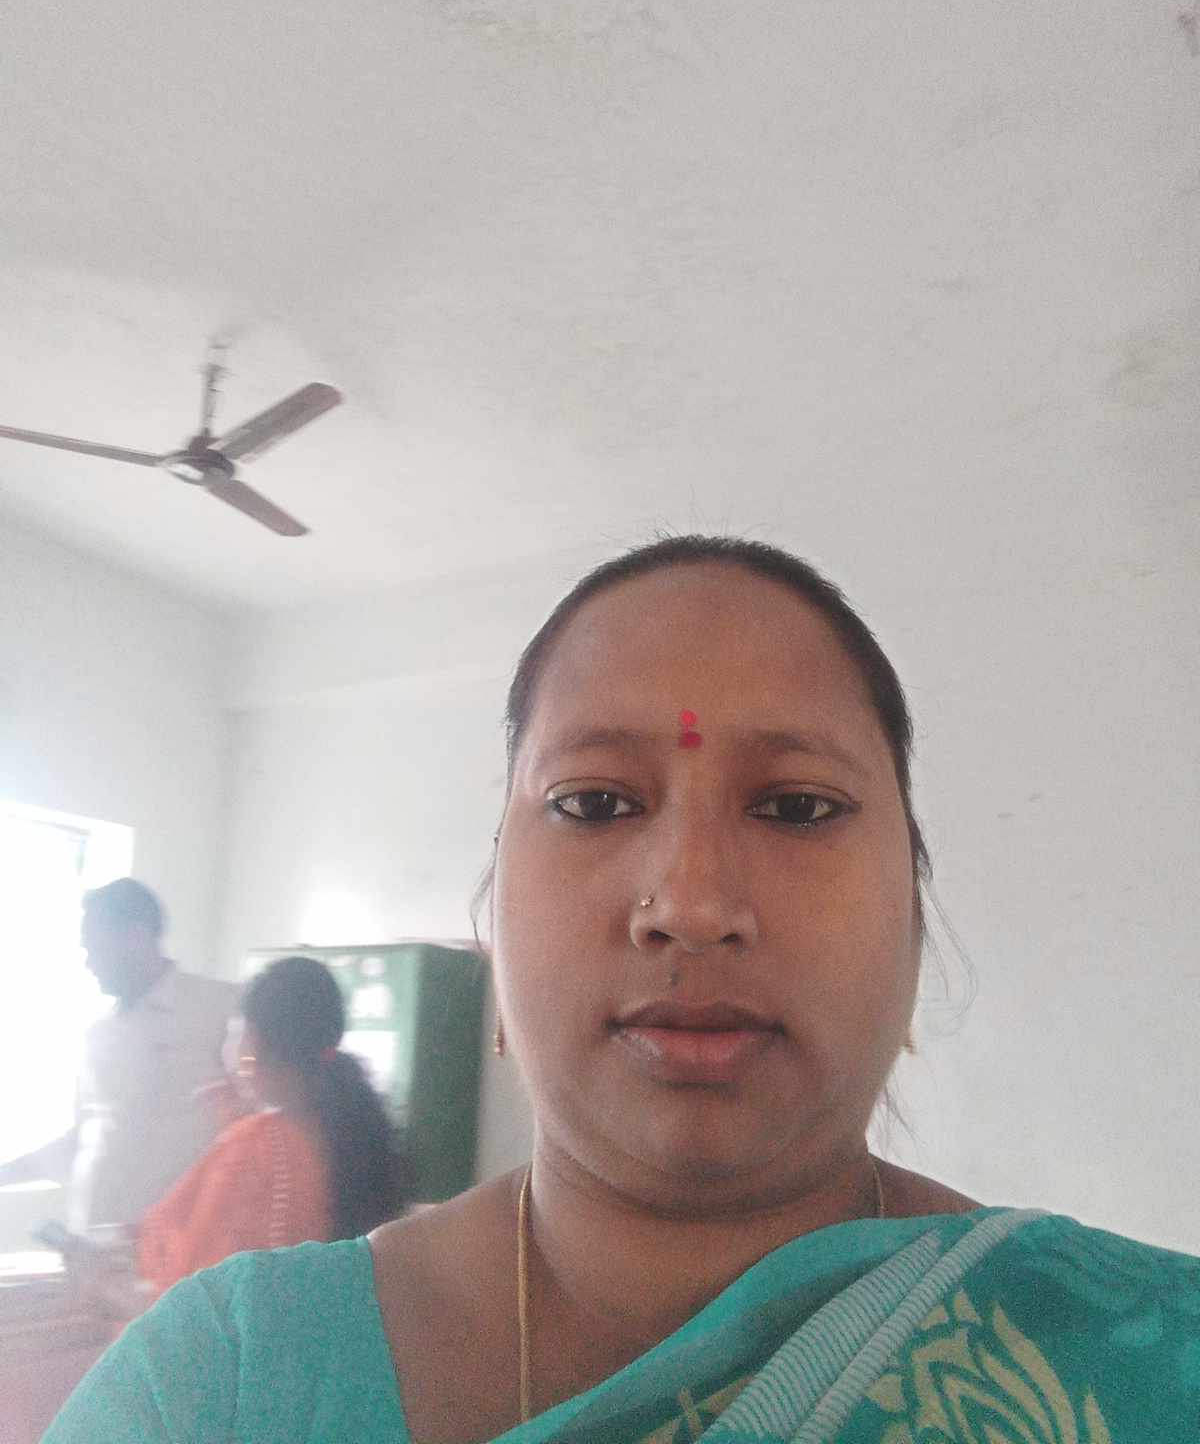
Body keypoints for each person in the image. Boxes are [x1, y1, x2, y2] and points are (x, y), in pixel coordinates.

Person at [45, 537, 1200, 1442]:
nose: (689, 903)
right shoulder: (220, 1384)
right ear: (493, 913)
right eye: (594, 802)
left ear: (914, 911)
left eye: (796, 805)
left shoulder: (1147, 1358)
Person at [134, 955, 412, 1298]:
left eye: (238, 1034)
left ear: (254, 1041)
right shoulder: (357, 1130)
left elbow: (192, 1285)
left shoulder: (255, 1145)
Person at [0, 878, 236, 1234]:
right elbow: (83, 1139)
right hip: (94, 1242)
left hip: (185, 1243)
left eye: (96, 947)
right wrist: (6, 1173)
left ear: (136, 936)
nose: (89, 963)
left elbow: (255, 1122)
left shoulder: (219, 1008)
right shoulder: (98, 1035)